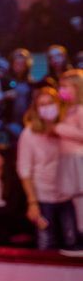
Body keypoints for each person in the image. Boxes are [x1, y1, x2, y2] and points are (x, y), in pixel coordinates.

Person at [17, 87, 78, 250]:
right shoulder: (29, 134)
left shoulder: (66, 129)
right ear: (36, 109)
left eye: (50, 103)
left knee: (72, 242)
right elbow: (24, 170)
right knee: (46, 244)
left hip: (68, 196)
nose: (47, 108)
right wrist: (32, 202)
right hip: (43, 198)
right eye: (42, 105)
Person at [55, 69, 83, 238]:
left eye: (65, 86)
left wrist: (59, 128)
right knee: (73, 200)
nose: (61, 90)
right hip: (66, 159)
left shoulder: (80, 110)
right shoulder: (66, 110)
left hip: (77, 159)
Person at [0, 48, 35, 136]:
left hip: (27, 121)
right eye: (17, 64)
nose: (20, 67)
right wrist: (4, 96)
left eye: (22, 64)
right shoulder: (4, 80)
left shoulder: (31, 82)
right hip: (10, 121)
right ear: (12, 64)